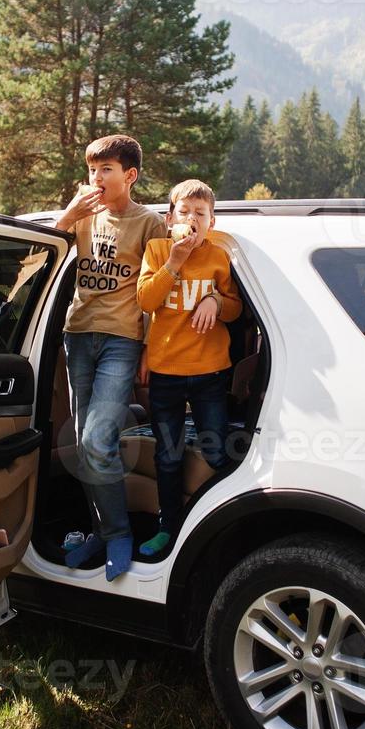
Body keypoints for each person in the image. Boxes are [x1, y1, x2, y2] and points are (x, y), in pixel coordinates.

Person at [55, 135, 164, 581]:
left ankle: (118, 533)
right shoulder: (83, 215)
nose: (96, 179)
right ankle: (99, 530)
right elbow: (43, 254)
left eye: (106, 171)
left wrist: (150, 348)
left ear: (130, 175)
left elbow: (161, 293)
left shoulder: (149, 223)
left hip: (122, 339)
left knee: (97, 439)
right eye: (92, 171)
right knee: (83, 442)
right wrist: (68, 215)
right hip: (77, 335)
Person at [135, 179, 242, 558]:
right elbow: (147, 300)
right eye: (185, 212)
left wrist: (215, 299)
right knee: (168, 454)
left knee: (216, 449)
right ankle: (169, 525)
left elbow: (235, 307)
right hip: (167, 371)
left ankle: (223, 521)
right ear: (170, 219)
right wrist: (174, 262)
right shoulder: (158, 249)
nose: (192, 219)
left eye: (201, 213)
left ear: (211, 222)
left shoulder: (218, 256)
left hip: (210, 371)